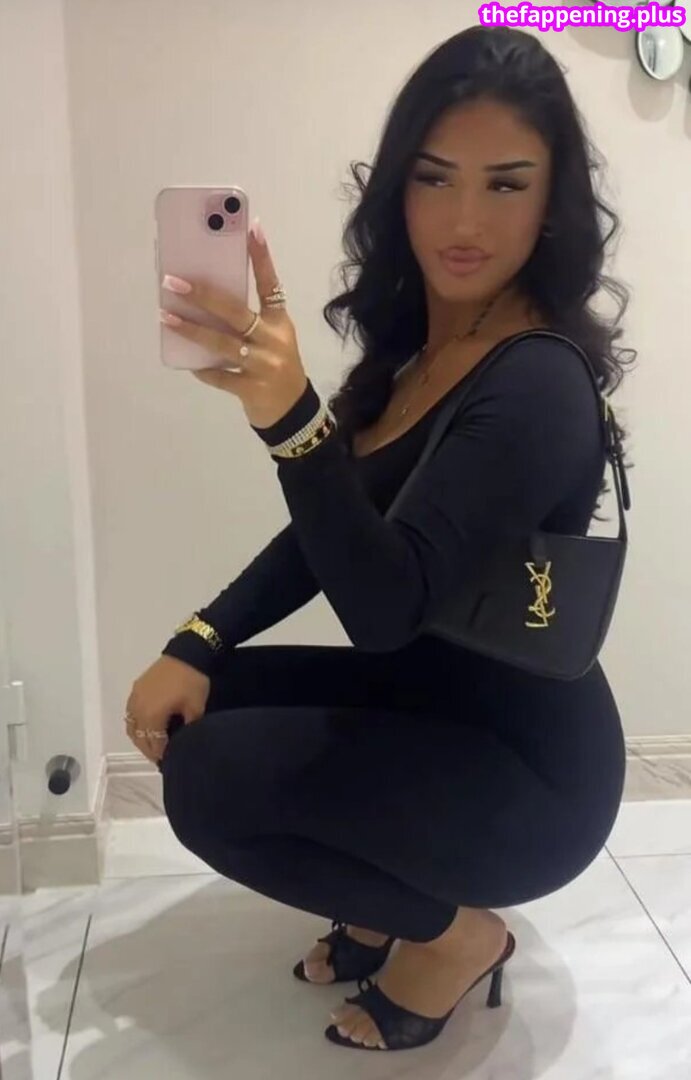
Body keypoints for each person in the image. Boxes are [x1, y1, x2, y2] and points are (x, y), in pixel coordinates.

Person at [127, 25, 633, 1055]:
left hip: (529, 772)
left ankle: (454, 937)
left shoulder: (534, 381)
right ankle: (382, 899)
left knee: (210, 781)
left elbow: (383, 607)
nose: (462, 220)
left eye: (504, 184)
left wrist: (292, 423)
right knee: (209, 703)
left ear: (551, 202)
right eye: (433, 178)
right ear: (396, 187)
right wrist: (198, 638)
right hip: (436, 703)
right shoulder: (423, 347)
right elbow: (334, 534)